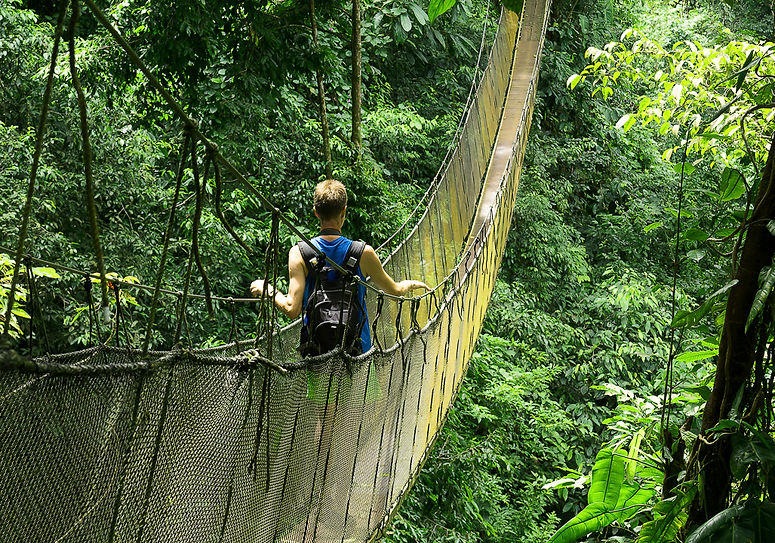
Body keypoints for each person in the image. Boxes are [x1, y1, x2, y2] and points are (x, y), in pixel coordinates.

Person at [250, 178, 430, 355]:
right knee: (366, 386)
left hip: (317, 356)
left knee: (321, 386)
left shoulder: (299, 253)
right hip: (358, 354)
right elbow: (395, 292)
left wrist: (267, 289)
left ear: (316, 212)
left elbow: (291, 309)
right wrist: (410, 284)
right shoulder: (364, 253)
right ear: (344, 212)